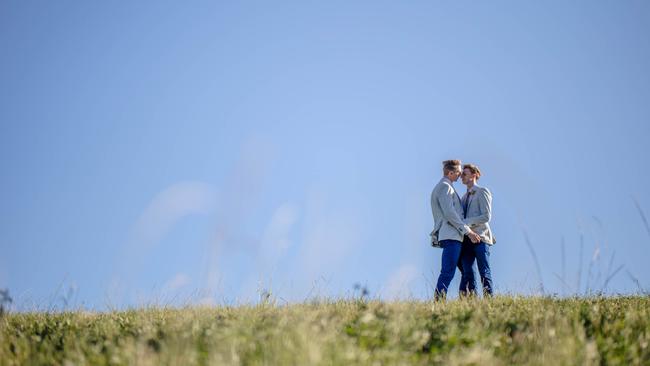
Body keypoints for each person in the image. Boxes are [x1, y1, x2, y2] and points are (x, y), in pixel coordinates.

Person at [430, 160, 481, 300]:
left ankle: (466, 300)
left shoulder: (447, 186)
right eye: (458, 172)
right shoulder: (445, 186)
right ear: (450, 173)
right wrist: (468, 231)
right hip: (451, 236)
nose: (460, 175)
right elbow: (449, 213)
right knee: (448, 271)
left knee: (465, 271)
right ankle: (439, 301)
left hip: (454, 236)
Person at [458, 163, 495, 296]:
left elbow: (486, 216)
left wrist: (466, 222)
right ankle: (471, 301)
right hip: (467, 240)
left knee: (484, 271)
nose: (461, 176)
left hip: (481, 238)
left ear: (474, 175)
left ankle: (489, 300)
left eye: (464, 174)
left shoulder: (482, 191)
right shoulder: (463, 198)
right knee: (467, 272)